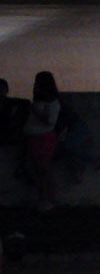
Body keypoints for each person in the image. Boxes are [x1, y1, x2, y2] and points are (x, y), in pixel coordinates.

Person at [24, 71, 62, 211]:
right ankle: (44, 200)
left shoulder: (52, 102)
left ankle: (48, 200)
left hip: (43, 138)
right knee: (38, 170)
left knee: (43, 170)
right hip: (34, 137)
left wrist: (35, 112)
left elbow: (49, 121)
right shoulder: (40, 99)